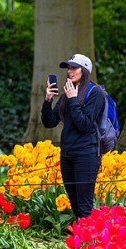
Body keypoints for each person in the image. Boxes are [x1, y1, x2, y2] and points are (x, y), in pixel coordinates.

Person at [41, 53, 105, 220]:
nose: (70, 71)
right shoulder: (67, 95)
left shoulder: (95, 93)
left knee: (84, 207)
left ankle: (88, 244)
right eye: (68, 68)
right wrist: (48, 100)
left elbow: (84, 124)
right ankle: (80, 242)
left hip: (86, 155)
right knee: (75, 204)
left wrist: (73, 100)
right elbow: (50, 122)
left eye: (74, 68)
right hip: (67, 155)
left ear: (84, 70)